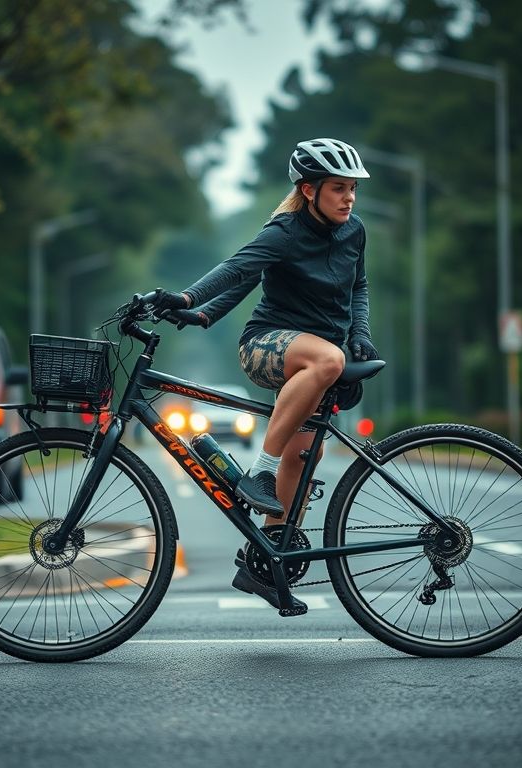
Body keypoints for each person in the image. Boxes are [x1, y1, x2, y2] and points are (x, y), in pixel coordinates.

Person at [155, 137, 379, 613]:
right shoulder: (284, 232)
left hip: (321, 361)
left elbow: (359, 286)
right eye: (339, 188)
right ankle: (260, 469)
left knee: (302, 460)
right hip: (267, 348)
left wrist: (360, 333)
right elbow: (239, 272)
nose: (349, 197)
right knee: (327, 361)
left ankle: (267, 564)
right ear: (310, 190)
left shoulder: (354, 232)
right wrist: (190, 303)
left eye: (352, 189)